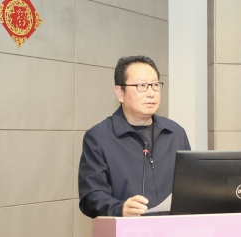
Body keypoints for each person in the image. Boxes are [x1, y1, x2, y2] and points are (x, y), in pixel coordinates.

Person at [78, 55, 190, 217]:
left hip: (174, 230)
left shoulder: (175, 132)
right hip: (128, 231)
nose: (151, 93)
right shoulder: (99, 137)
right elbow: (91, 196)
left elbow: (189, 186)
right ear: (120, 93)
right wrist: (120, 208)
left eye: (155, 85)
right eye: (142, 85)